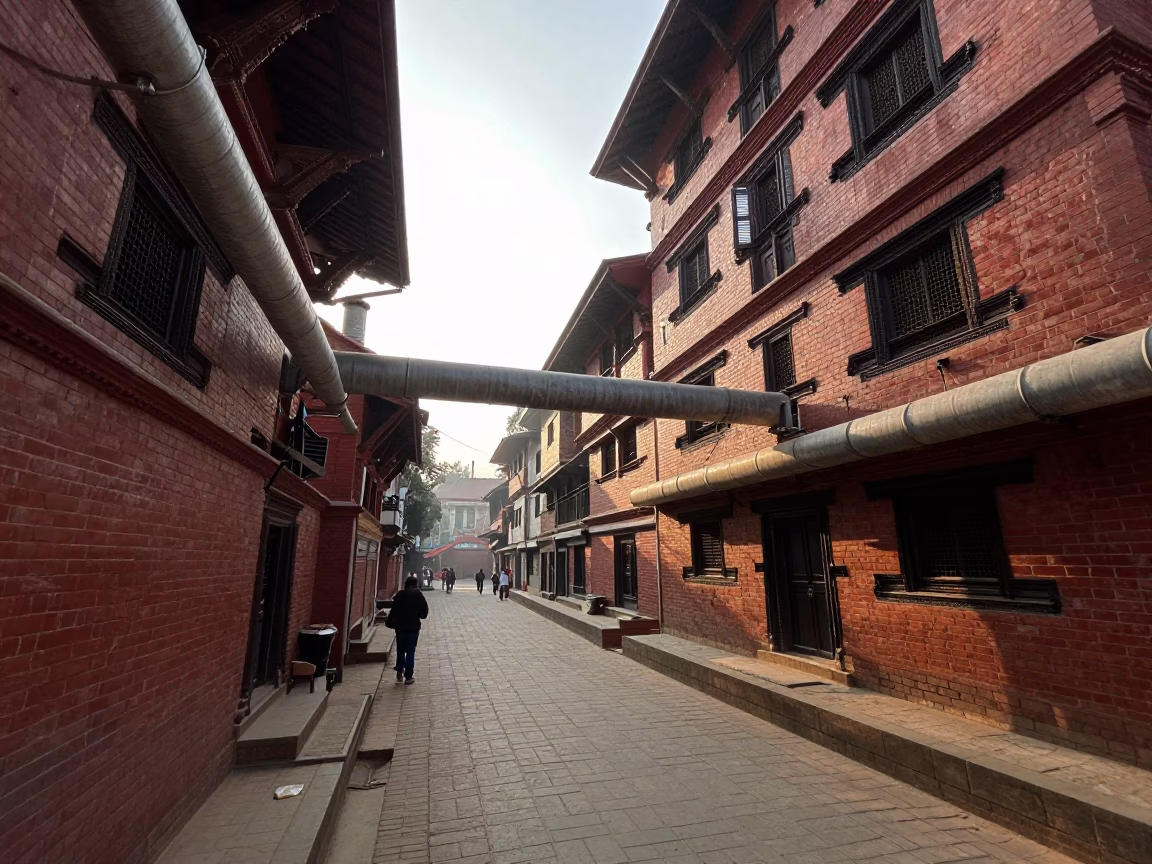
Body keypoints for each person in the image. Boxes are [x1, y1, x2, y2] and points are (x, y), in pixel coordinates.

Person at [387, 575, 429, 684]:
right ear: (415, 585)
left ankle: (400, 669)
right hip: (412, 627)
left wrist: (391, 622)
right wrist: (419, 614)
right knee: (410, 651)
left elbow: (393, 611)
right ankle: (409, 676)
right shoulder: (418, 596)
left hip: (400, 627)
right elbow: (424, 612)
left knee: (401, 650)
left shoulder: (400, 595)